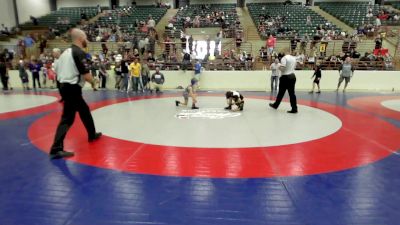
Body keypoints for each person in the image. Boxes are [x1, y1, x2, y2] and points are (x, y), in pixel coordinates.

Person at [49, 28, 102, 159]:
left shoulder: (65, 52)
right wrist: (94, 83)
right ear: (80, 39)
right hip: (71, 88)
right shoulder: (78, 53)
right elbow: (86, 75)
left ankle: (91, 134)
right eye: (85, 38)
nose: (87, 41)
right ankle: (56, 148)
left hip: (65, 86)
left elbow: (58, 72)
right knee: (68, 117)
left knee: (84, 110)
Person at [269, 49, 298, 113]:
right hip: (292, 76)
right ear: (289, 52)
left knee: (281, 93)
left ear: (285, 52)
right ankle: (294, 108)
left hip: (285, 77)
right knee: (292, 94)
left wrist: (279, 67)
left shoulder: (284, 58)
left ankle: (275, 105)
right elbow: (294, 67)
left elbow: (283, 68)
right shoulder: (293, 58)